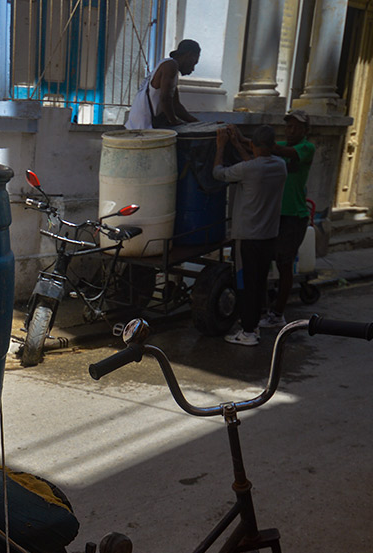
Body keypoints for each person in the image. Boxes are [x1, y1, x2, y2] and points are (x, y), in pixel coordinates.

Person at [212, 124, 287, 346]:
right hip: (268, 236)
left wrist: (221, 147)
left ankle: (248, 331)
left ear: (253, 145)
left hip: (247, 237)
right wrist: (238, 144)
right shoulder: (280, 166)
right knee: (259, 282)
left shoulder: (247, 170)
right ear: (273, 145)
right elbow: (253, 166)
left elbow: (218, 173)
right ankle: (254, 325)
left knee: (245, 284)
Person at [260, 110, 316, 329]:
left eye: (296, 127)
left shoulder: (306, 148)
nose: (291, 130)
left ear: (305, 130)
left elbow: (279, 150)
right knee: (266, 261)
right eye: (288, 126)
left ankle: (278, 314)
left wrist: (260, 141)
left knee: (285, 264)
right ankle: (265, 308)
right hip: (276, 215)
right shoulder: (280, 145)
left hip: (294, 217)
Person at [125, 40, 201, 130]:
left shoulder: (170, 68)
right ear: (189, 55)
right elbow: (165, 99)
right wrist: (174, 121)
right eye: (194, 62)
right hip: (144, 126)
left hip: (138, 123)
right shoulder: (170, 66)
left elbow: (176, 105)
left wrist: (196, 122)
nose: (193, 69)